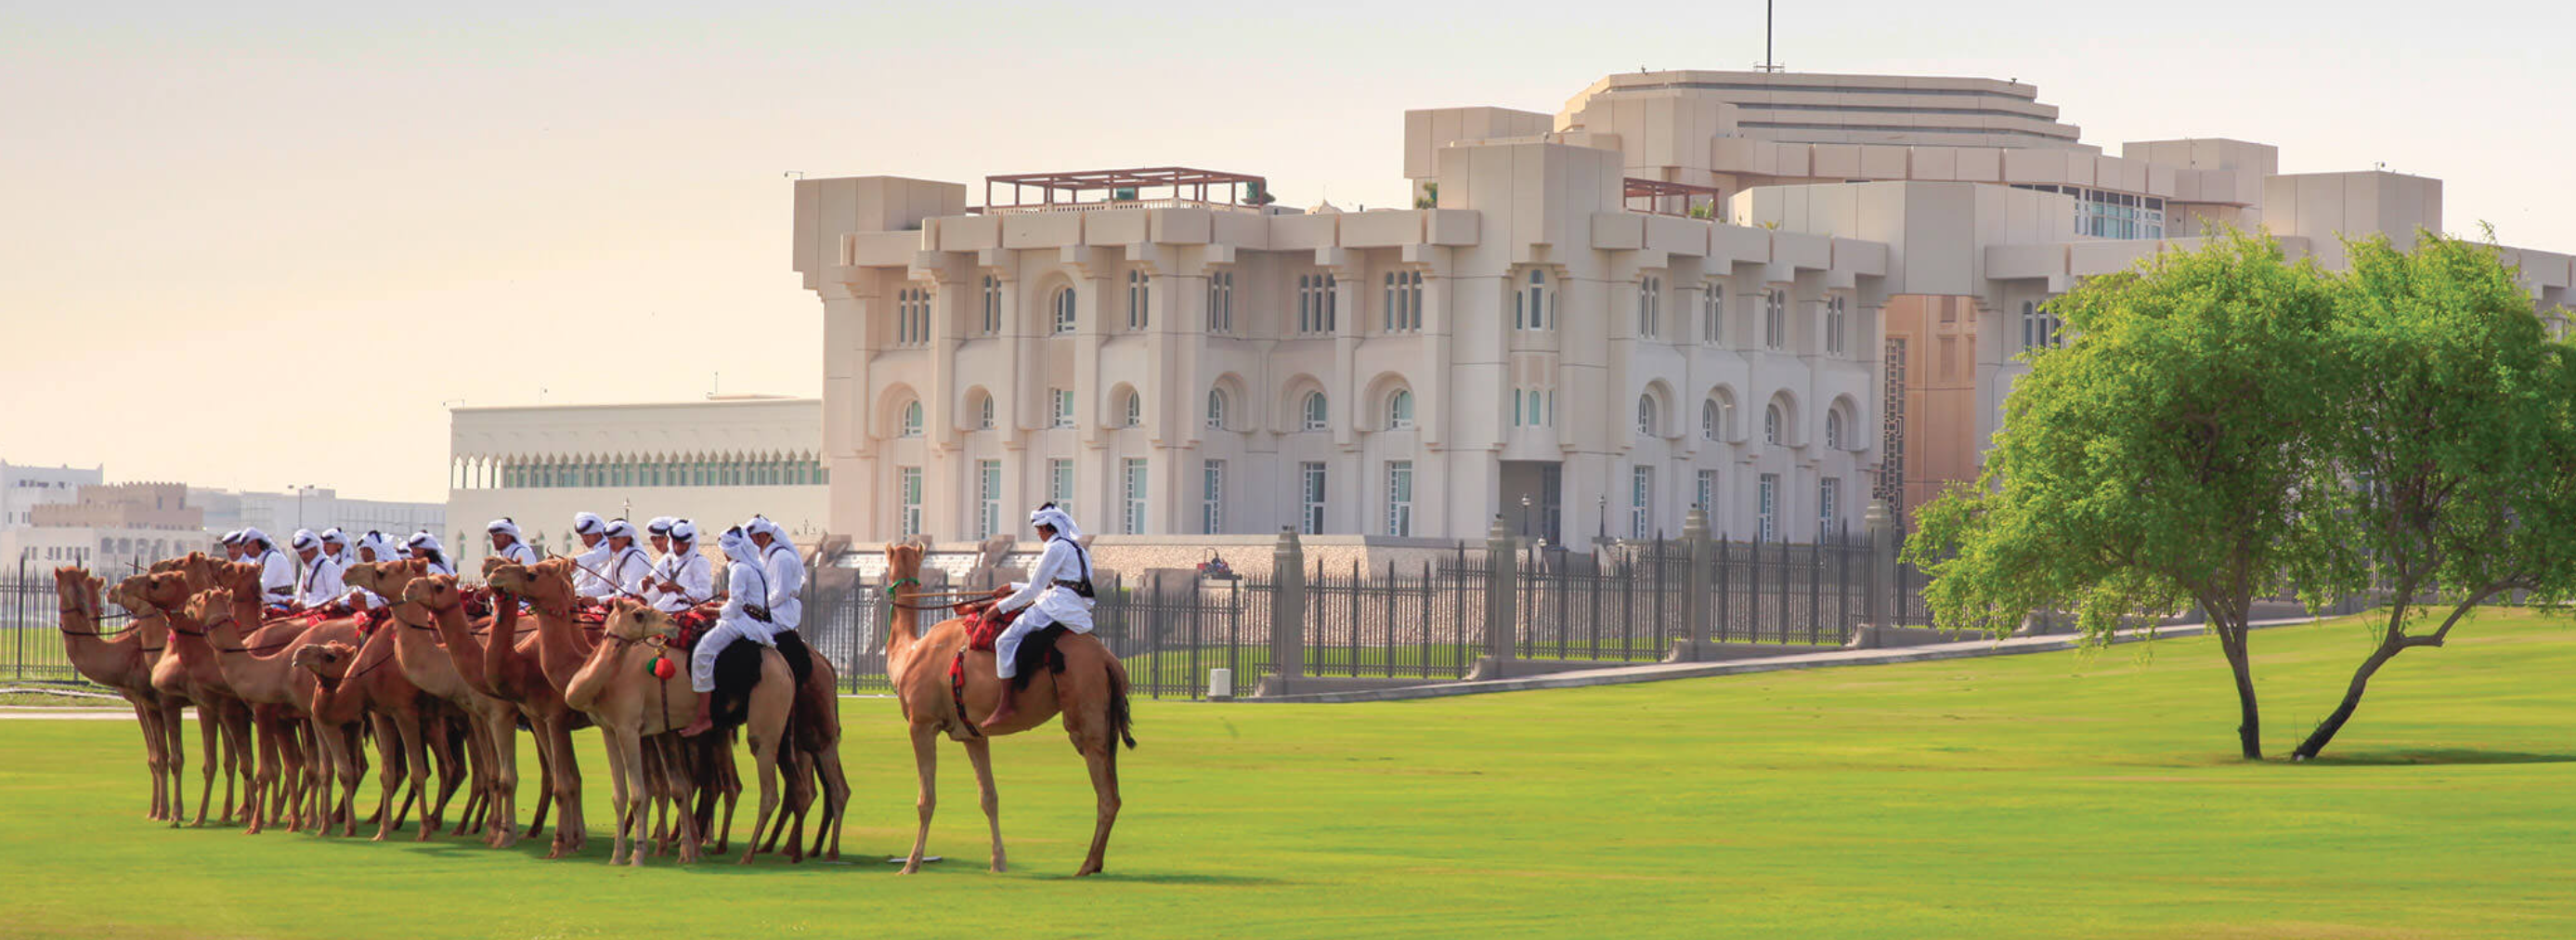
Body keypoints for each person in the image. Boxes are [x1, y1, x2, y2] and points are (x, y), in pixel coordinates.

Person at [980, 503, 1097, 729]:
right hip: (1074, 606)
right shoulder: (1077, 548)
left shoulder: (1055, 548)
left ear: (1048, 528)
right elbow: (1054, 585)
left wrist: (1000, 608)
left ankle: (1005, 706)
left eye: (1039, 529)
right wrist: (1011, 587)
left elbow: (1035, 590)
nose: (1038, 533)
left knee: (1005, 640)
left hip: (1058, 606)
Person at [680, 527, 776, 738]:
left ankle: (704, 716)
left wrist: (710, 610)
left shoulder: (738, 569)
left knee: (702, 653)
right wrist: (716, 607)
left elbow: (734, 609)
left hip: (741, 623)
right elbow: (740, 601)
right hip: (752, 620)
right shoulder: (754, 566)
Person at [743, 516, 802, 633]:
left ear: (762, 536)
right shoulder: (763, 558)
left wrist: (756, 606)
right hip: (768, 612)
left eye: (751, 538)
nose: (750, 543)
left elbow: (780, 594)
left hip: (781, 616)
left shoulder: (782, 558)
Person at [645, 518, 714, 613]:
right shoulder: (667, 559)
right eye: (675, 543)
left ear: (690, 543)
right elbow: (651, 580)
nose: (678, 547)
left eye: (682, 544)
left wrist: (680, 589)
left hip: (688, 611)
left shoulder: (698, 562)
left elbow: (705, 596)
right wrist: (646, 582)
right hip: (663, 609)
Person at [240, 528, 298, 614]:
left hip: (279, 605)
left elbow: (262, 587)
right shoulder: (257, 561)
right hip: (265, 604)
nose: (245, 551)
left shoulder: (273, 558)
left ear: (254, 543)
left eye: (246, 547)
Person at [291, 529, 345, 608]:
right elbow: (300, 595)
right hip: (308, 610)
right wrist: (298, 602)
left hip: (323, 612)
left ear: (314, 549)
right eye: (300, 553)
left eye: (305, 552)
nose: (303, 557)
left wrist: (311, 606)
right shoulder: (305, 569)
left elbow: (334, 596)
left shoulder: (328, 566)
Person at [599, 518, 654, 599]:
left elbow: (630, 592)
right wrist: (579, 593)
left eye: (615, 538)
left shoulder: (637, 559)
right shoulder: (617, 558)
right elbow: (602, 587)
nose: (611, 542)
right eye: (609, 539)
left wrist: (598, 600)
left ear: (627, 539)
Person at [342, 530, 396, 608]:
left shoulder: (389, 569)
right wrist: (340, 602)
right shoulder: (368, 570)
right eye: (360, 550)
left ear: (375, 550)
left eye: (365, 549)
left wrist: (366, 598)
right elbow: (358, 592)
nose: (362, 553)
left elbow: (389, 595)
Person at [569, 512, 615, 598]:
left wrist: (575, 561)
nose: (584, 539)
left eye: (587, 536)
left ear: (599, 534)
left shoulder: (609, 548)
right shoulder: (590, 556)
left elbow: (596, 556)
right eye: (582, 536)